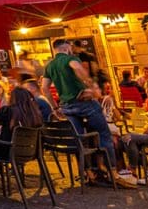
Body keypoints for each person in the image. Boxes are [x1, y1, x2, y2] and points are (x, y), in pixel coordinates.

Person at [42, 38, 116, 184]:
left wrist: (55, 107)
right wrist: (92, 84)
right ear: (67, 47)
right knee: (104, 134)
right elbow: (76, 67)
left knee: (80, 139)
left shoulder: (50, 66)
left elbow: (44, 88)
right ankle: (112, 171)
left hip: (66, 107)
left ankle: (88, 172)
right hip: (83, 103)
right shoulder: (70, 58)